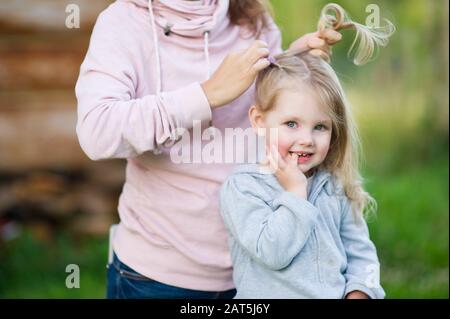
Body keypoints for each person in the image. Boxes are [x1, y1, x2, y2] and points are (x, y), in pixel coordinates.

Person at [75, 0, 341, 299]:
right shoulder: (123, 23)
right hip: (155, 279)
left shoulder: (251, 16)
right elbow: (97, 131)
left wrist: (290, 66)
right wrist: (206, 94)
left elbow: (264, 113)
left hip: (258, 271)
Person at [219, 50, 386, 299]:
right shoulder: (243, 188)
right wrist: (296, 194)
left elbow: (361, 253)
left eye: (320, 127)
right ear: (259, 121)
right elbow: (272, 252)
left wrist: (361, 291)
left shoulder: (334, 186)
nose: (306, 140)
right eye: (291, 124)